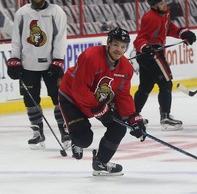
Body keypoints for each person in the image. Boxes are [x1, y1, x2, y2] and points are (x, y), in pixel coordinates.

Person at [58, 27, 146, 176]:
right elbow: (79, 89)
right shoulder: (91, 56)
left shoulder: (126, 69)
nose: (119, 49)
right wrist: (99, 108)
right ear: (109, 43)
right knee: (84, 140)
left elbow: (123, 95)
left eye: (123, 46)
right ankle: (74, 138)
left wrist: (133, 118)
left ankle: (101, 162)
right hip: (72, 97)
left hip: (97, 100)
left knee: (119, 128)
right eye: (116, 44)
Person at [7, 0, 70, 149]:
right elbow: (16, 39)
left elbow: (60, 37)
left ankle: (65, 132)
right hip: (28, 65)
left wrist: (57, 60)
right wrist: (14, 59)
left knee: (58, 98)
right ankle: (38, 133)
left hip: (51, 64)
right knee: (30, 100)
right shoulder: (22, 12)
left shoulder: (56, 11)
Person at [133, 0, 196, 131]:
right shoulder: (150, 17)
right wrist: (145, 47)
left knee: (145, 87)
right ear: (154, 5)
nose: (165, 5)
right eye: (161, 3)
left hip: (149, 54)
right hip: (151, 55)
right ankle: (165, 118)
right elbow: (140, 38)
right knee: (166, 82)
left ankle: (131, 115)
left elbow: (167, 28)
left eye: (165, 2)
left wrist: (183, 33)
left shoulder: (165, 13)